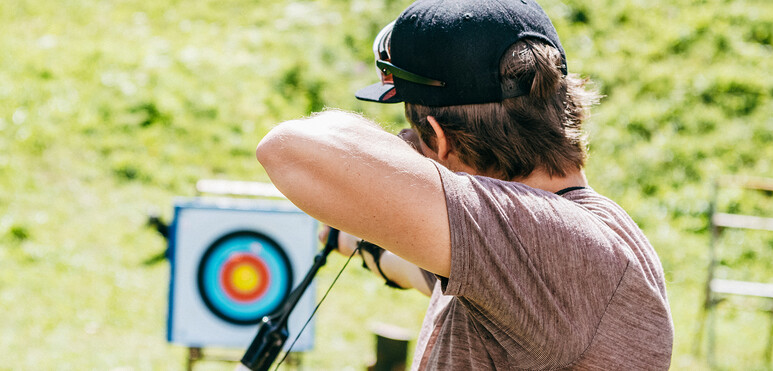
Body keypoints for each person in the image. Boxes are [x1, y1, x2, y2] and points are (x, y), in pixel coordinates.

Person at [255, 0, 674, 369]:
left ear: (439, 138)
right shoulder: (567, 246)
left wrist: (403, 165)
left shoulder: (551, 246)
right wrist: (364, 243)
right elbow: (429, 275)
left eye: (415, 133)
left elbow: (287, 149)